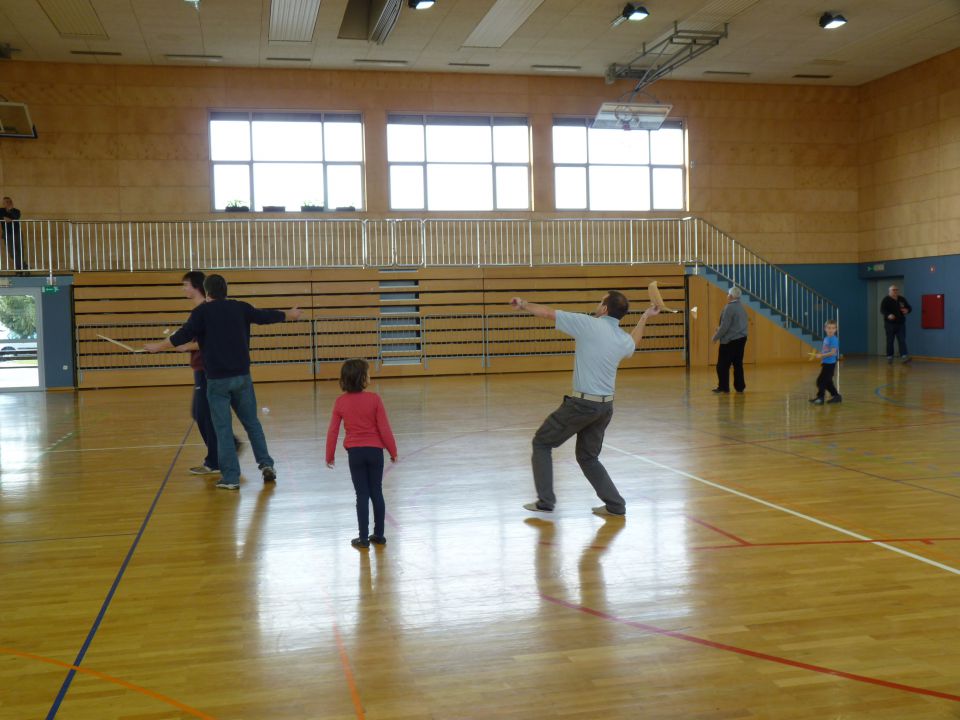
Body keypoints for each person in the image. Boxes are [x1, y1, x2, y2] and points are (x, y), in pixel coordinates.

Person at [145, 273, 302, 490]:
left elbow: (181, 336)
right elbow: (265, 315)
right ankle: (266, 464)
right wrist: (290, 315)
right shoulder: (240, 307)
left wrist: (157, 347)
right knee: (252, 424)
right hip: (242, 378)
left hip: (217, 381)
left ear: (207, 292)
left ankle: (230, 478)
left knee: (223, 429)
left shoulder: (201, 313)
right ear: (225, 290)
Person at [512, 291, 660, 518]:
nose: (598, 304)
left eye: (601, 300)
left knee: (541, 443)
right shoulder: (621, 338)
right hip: (605, 408)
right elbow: (633, 342)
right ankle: (615, 505)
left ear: (605, 309)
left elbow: (548, 313)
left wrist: (523, 304)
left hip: (582, 405)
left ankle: (545, 501)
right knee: (588, 457)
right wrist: (645, 317)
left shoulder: (587, 324)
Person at [173, 271, 242, 476]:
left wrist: (187, 346)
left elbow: (211, 341)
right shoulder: (198, 310)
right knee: (202, 414)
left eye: (186, 285)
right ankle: (222, 452)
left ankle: (216, 459)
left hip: (207, 368)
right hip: (200, 368)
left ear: (196, 287)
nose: (183, 289)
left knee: (203, 413)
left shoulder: (205, 310)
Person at [325, 358, 398, 549]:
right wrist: (393, 450)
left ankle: (363, 538)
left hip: (355, 454)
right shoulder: (375, 399)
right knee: (377, 491)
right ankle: (379, 535)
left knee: (362, 495)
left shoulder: (340, 402)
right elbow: (384, 428)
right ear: (362, 378)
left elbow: (333, 430)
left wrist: (329, 455)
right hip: (375, 452)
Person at [712, 286, 748, 393]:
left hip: (729, 341)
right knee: (738, 364)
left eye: (728, 294)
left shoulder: (729, 308)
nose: (727, 295)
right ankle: (740, 387)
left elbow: (725, 326)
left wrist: (716, 336)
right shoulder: (741, 307)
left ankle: (723, 387)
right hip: (742, 339)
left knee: (722, 366)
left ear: (731, 296)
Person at [809, 320, 841, 405]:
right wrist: (821, 354)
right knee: (828, 382)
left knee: (821, 381)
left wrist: (821, 356)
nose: (831, 330)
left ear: (836, 329)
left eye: (833, 328)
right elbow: (826, 350)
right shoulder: (826, 338)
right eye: (829, 328)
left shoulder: (834, 339)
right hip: (826, 363)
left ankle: (820, 398)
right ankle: (836, 396)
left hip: (830, 365)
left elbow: (833, 352)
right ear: (825, 329)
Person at [880, 285, 911, 363]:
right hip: (890, 324)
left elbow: (909, 307)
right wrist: (888, 315)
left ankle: (904, 356)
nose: (895, 291)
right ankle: (889, 357)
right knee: (890, 340)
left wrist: (907, 310)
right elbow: (882, 310)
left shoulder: (901, 299)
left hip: (900, 323)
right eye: (893, 290)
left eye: (896, 289)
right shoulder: (886, 300)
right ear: (889, 291)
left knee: (902, 340)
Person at [0, 196, 24, 272]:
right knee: (12, 252)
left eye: (9, 202)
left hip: (17, 233)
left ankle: (19, 270)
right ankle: (24, 267)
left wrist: (11, 210)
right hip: (7, 234)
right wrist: (3, 218)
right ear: (3, 204)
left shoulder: (16, 211)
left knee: (19, 251)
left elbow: (16, 217)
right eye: (5, 202)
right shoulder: (1, 211)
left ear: (12, 203)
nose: (7, 203)